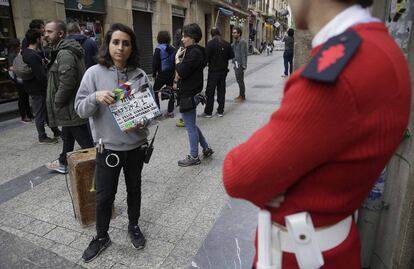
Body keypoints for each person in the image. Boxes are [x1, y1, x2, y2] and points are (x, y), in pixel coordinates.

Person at [222, 0, 411, 268]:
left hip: (300, 257)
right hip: (334, 246)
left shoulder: (339, 70)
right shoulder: (383, 48)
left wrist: (265, 182)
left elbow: (239, 175)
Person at [75, 23, 149, 263]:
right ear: (108, 45)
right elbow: (79, 109)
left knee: (134, 190)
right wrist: (95, 97)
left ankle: (134, 226)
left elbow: (149, 112)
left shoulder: (139, 74)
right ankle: (101, 236)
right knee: (104, 196)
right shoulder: (94, 73)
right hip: (107, 150)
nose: (120, 47)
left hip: (135, 148)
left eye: (126, 43)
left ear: (131, 47)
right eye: (116, 42)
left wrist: (143, 121)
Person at [43, 20, 94, 174]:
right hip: (69, 106)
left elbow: (67, 83)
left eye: (49, 32)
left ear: (60, 33)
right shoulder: (62, 51)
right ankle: (63, 161)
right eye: (45, 31)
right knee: (67, 134)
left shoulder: (64, 53)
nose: (46, 35)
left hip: (70, 105)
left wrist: (57, 102)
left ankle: (98, 167)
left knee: (85, 142)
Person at [175, 23, 213, 167]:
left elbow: (182, 72)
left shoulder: (193, 52)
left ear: (193, 37)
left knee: (190, 126)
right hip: (193, 92)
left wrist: (177, 60)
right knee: (192, 124)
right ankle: (206, 147)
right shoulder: (197, 51)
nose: (183, 39)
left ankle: (194, 156)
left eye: (185, 36)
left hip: (189, 93)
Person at [22, 29, 61, 144]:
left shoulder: (26, 52)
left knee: (47, 110)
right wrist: (49, 85)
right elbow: (40, 75)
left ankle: (56, 131)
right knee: (39, 112)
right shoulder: (32, 55)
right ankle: (42, 136)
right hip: (37, 89)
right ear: (37, 39)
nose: (43, 40)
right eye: (41, 37)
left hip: (34, 87)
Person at [201, 27, 234, 118]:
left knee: (210, 92)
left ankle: (208, 112)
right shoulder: (227, 44)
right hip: (223, 71)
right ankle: (220, 111)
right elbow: (231, 56)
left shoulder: (210, 44)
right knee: (221, 91)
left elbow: (205, 59)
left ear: (211, 34)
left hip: (213, 72)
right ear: (220, 33)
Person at [7, 38, 34, 123]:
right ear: (16, 46)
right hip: (18, 78)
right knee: (22, 98)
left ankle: (29, 114)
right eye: (19, 44)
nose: (20, 46)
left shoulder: (16, 53)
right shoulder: (12, 55)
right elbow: (11, 68)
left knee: (25, 97)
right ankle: (24, 116)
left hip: (20, 77)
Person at [152, 30, 176, 117]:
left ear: (159, 38)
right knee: (171, 91)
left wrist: (154, 75)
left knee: (155, 90)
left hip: (162, 74)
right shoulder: (173, 48)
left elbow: (155, 63)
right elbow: (175, 62)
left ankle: (157, 111)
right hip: (171, 74)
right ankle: (170, 111)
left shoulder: (158, 49)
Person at [231, 26, 248, 102]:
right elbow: (230, 47)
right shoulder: (235, 42)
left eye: (235, 33)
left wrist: (244, 65)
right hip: (236, 64)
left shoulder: (242, 42)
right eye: (233, 32)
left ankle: (242, 96)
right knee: (238, 80)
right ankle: (240, 95)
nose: (233, 34)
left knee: (240, 80)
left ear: (239, 33)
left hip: (240, 64)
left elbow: (244, 54)